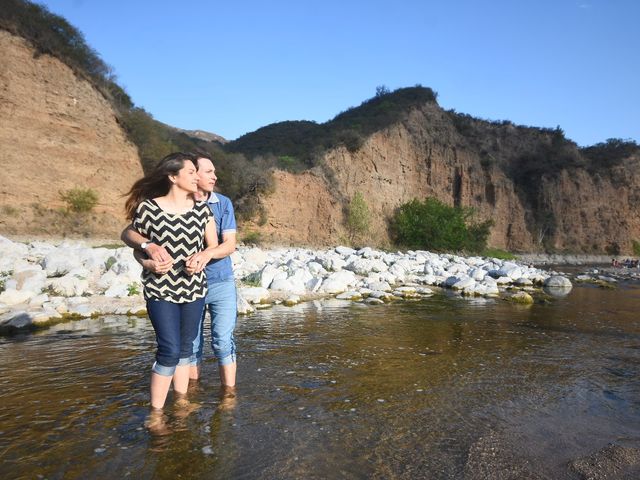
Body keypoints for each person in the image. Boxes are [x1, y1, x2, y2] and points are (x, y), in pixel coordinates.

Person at [122, 152, 239, 396]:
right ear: (177, 176)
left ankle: (221, 398)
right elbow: (133, 238)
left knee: (217, 342)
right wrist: (147, 255)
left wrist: (205, 255)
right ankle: (174, 404)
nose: (210, 176)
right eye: (202, 172)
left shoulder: (215, 206)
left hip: (209, 283)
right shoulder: (154, 207)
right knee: (180, 348)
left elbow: (227, 244)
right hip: (168, 288)